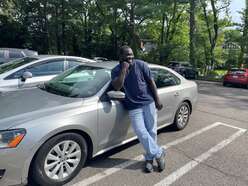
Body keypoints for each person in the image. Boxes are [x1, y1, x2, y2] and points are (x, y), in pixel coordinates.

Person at [111, 45, 165, 173]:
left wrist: (157, 100)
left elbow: (151, 82)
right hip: (133, 105)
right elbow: (117, 87)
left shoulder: (141, 65)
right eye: (127, 55)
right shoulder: (115, 70)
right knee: (141, 132)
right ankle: (159, 152)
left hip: (148, 102)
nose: (130, 57)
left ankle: (149, 159)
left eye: (131, 54)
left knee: (151, 132)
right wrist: (124, 70)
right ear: (121, 57)